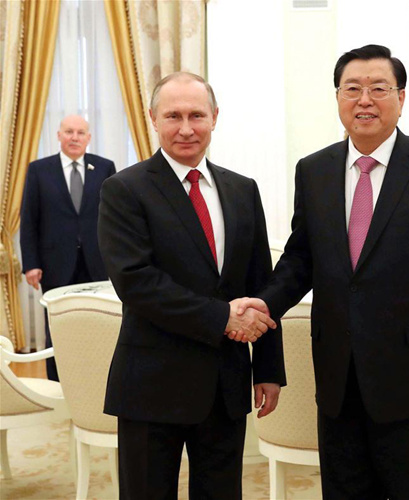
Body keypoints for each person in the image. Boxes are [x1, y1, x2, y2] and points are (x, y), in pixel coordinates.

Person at [234, 45, 409, 499]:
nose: (364, 99)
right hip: (338, 377)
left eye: (378, 88)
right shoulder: (314, 171)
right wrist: (265, 302)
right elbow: (300, 259)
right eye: (352, 89)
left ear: (401, 98)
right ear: (337, 98)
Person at [97, 72, 286, 500]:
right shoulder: (123, 190)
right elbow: (136, 282)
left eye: (197, 115)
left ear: (215, 117)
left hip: (226, 384)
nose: (186, 128)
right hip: (150, 385)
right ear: (153, 118)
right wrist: (222, 317)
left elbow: (261, 282)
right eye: (173, 116)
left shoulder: (242, 189)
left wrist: (269, 368)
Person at [20, 115, 116, 381]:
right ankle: (58, 383)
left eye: (81, 132)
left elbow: (115, 218)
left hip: (96, 263)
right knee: (58, 329)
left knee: (97, 323)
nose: (75, 137)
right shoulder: (39, 169)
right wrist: (31, 263)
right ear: (59, 135)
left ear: (88, 138)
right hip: (54, 264)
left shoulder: (105, 167)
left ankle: (95, 381)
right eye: (69, 132)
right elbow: (29, 219)